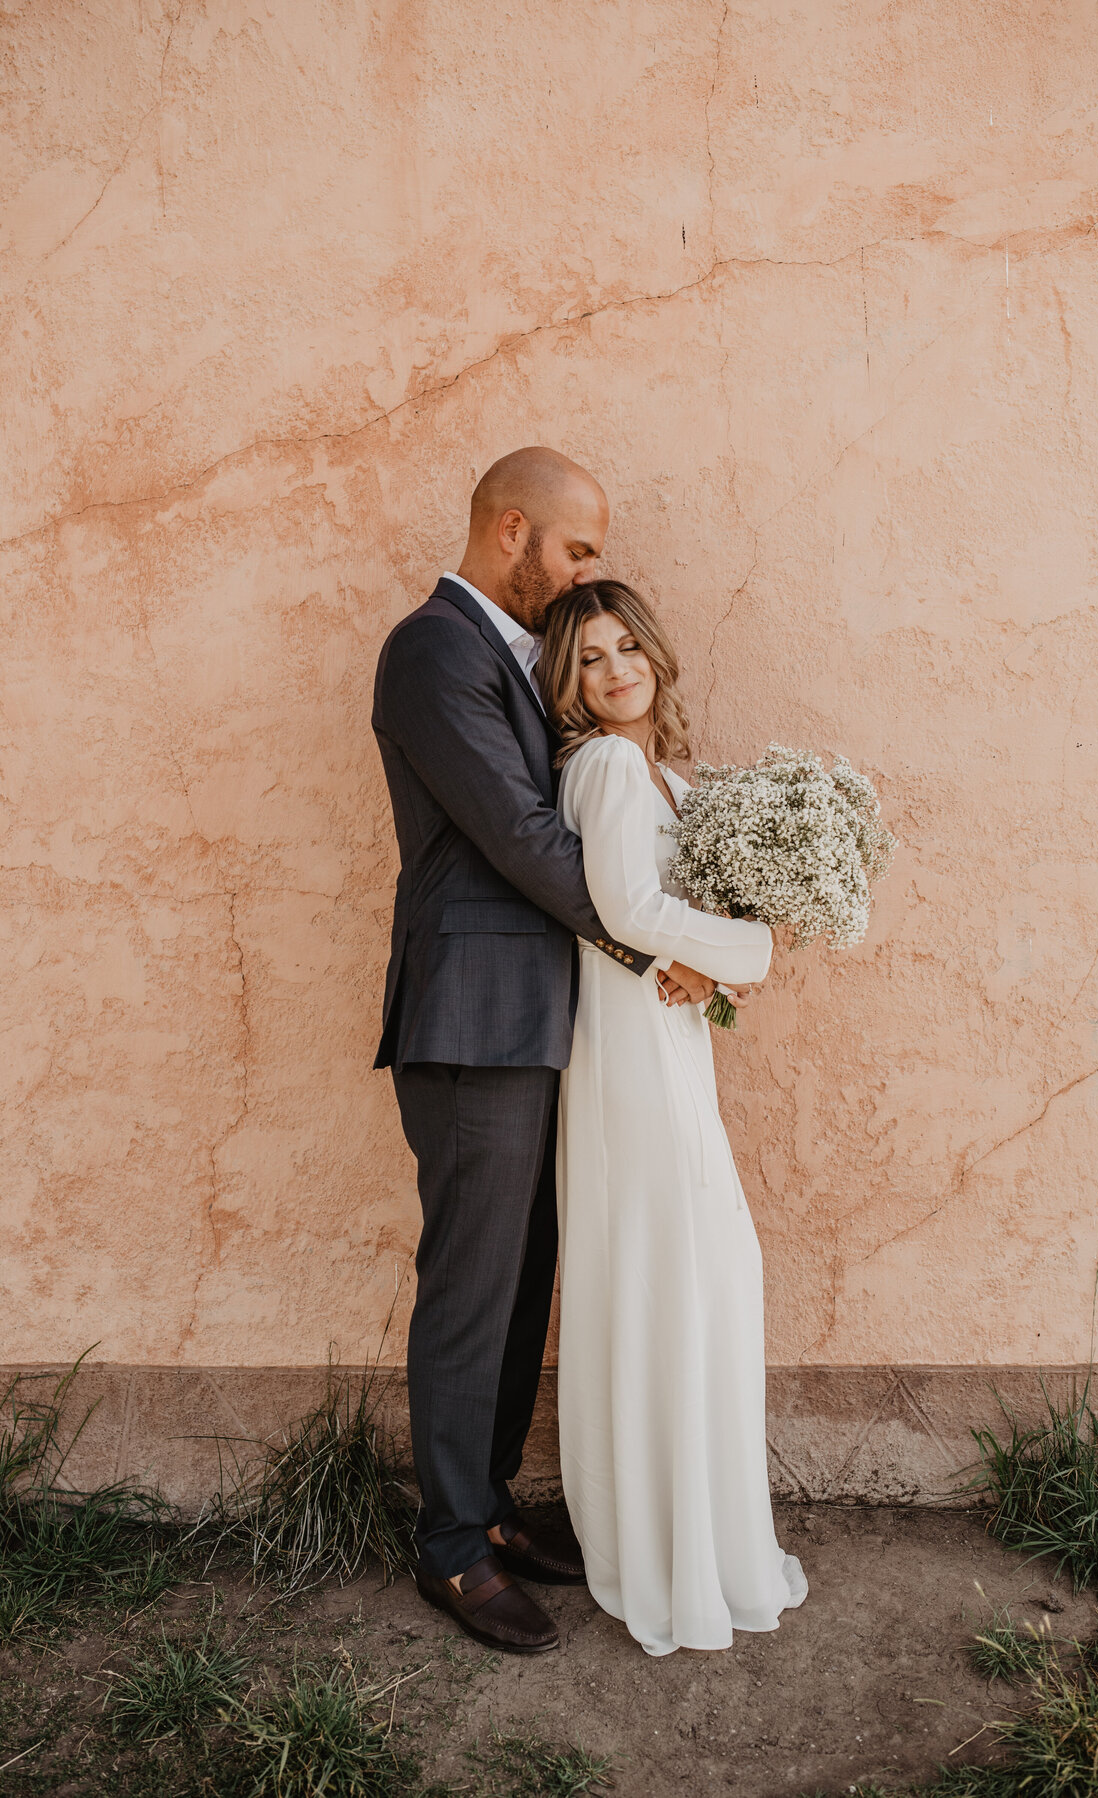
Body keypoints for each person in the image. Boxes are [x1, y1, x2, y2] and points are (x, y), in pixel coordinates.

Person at [371, 449, 718, 1656]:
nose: (587, 578)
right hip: (470, 1012)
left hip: (539, 1014)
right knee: (475, 1278)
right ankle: (452, 1549)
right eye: (576, 552)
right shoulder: (433, 651)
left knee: (524, 1273)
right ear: (511, 530)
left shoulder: (508, 657)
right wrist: (653, 942)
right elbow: (520, 836)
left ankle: (494, 1510)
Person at [537, 578, 809, 1657]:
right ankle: (655, 1554)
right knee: (670, 1277)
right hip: (628, 1058)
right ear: (569, 683)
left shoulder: (672, 779)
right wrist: (759, 952)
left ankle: (700, 1534)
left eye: (624, 648)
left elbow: (676, 933)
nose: (612, 671)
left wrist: (719, 979)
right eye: (588, 659)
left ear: (655, 652)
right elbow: (628, 910)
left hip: (672, 1043)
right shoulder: (604, 766)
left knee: (704, 1278)